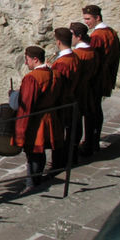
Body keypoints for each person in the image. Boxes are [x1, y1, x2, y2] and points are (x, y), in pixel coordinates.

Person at [13, 46, 61, 193]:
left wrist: (19, 131)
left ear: (35, 59)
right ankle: (37, 179)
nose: (26, 64)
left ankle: (31, 184)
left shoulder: (32, 78)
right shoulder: (55, 74)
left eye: (27, 60)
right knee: (40, 152)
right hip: (50, 117)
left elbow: (26, 105)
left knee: (33, 152)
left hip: (36, 121)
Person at [82, 5, 120, 153]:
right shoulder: (111, 32)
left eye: (88, 19)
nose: (87, 22)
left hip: (96, 79)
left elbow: (93, 59)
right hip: (105, 76)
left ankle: (90, 143)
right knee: (96, 109)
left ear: (97, 17)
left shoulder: (98, 36)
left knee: (91, 111)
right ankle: (94, 140)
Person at [51, 28, 80, 168]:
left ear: (58, 41)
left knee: (59, 133)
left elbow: (58, 84)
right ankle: (69, 157)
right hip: (71, 98)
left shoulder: (62, 63)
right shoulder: (74, 57)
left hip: (62, 101)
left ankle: (59, 163)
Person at [70, 21, 99, 155]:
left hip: (78, 91)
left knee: (75, 122)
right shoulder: (92, 50)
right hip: (87, 89)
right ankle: (89, 144)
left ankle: (74, 152)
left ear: (78, 36)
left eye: (72, 35)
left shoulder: (78, 54)